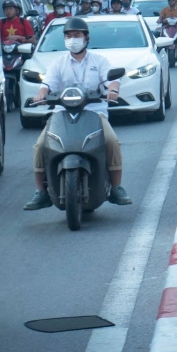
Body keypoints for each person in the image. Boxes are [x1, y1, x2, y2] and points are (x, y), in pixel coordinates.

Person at [24, 18, 131, 209]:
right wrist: (41, 94)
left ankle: (116, 188)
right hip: (61, 113)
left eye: (76, 35)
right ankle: (41, 192)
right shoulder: (58, 63)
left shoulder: (99, 61)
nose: (72, 39)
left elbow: (112, 81)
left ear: (86, 38)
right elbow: (47, 84)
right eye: (68, 36)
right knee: (40, 145)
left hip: (94, 112)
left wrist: (113, 90)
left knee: (112, 141)